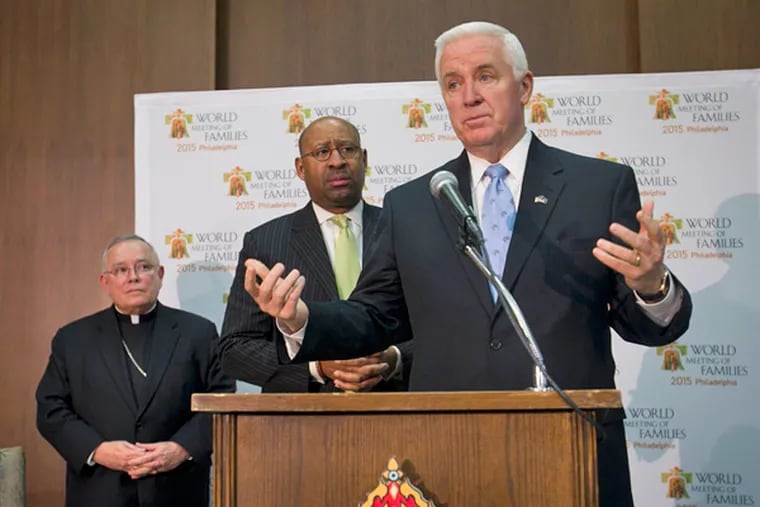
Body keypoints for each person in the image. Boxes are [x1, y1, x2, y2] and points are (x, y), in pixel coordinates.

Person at [244, 22, 692, 506]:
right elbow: (376, 315)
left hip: (571, 443)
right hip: (446, 451)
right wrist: (300, 320)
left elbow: (646, 326)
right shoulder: (412, 203)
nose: (468, 96)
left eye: (485, 76)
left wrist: (651, 284)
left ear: (524, 87)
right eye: (453, 84)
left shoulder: (597, 187)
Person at [36, 234, 234, 507]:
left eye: (143, 267)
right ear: (105, 282)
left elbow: (221, 400)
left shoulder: (198, 333)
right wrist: (98, 450)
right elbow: (50, 409)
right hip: (100, 490)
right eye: (121, 270)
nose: (133, 277)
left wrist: (182, 448)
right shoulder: (73, 339)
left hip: (177, 489)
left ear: (160, 274)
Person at [219, 116, 411, 392]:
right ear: (300, 168)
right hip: (304, 421)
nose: (337, 161)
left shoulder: (405, 230)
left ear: (364, 159)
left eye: (348, 150)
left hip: (403, 412)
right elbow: (235, 349)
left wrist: (394, 358)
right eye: (322, 152)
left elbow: (441, 328)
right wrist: (317, 367)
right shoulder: (265, 242)